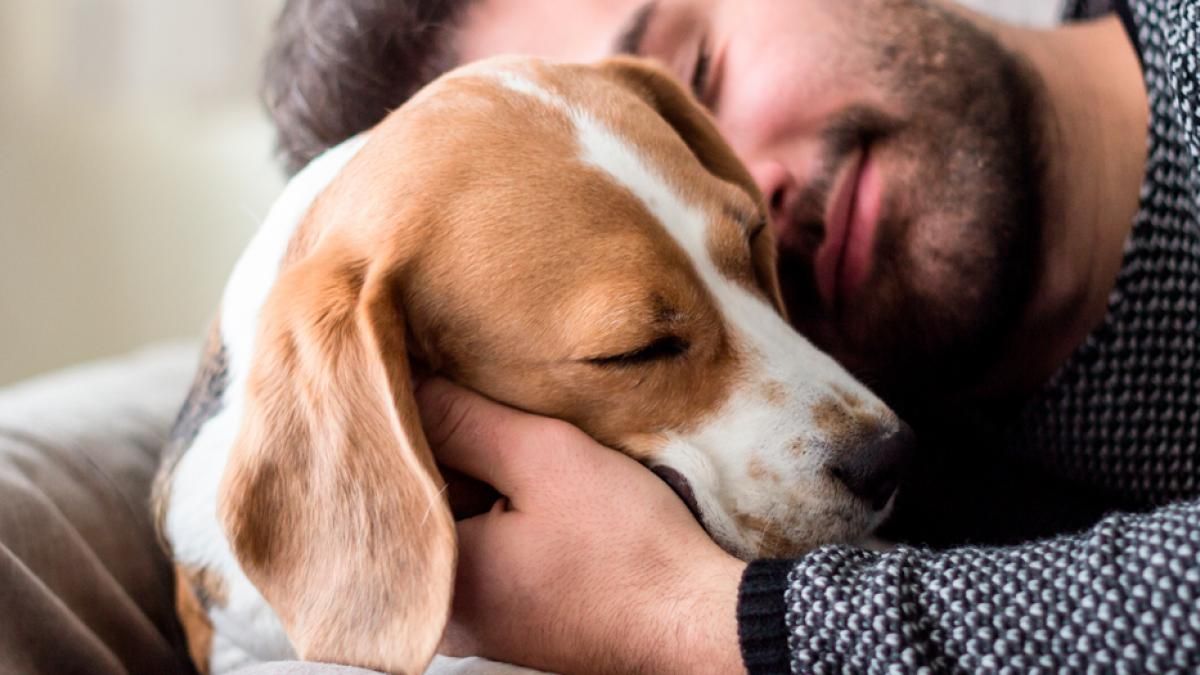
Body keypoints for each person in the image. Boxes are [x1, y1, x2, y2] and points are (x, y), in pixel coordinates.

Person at [264, 0, 1199, 672]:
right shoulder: (919, 469)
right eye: (638, 340)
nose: (746, 190)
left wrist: (703, 623)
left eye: (694, 81)